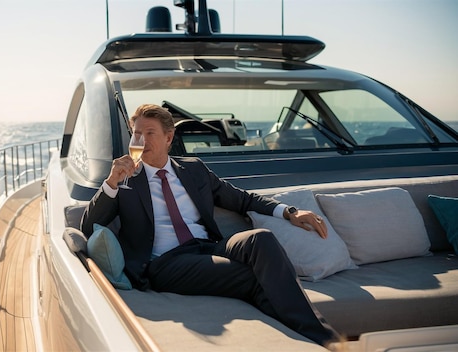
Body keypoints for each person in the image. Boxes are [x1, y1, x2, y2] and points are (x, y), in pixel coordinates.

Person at [80, 103, 340, 346]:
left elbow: (241, 198)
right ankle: (327, 340)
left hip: (210, 248)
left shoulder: (194, 170)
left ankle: (307, 341)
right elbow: (88, 226)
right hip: (165, 263)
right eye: (137, 134)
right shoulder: (126, 181)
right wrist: (111, 182)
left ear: (169, 138)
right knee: (256, 277)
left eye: (150, 133)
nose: (141, 140)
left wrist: (289, 212)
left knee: (261, 238)